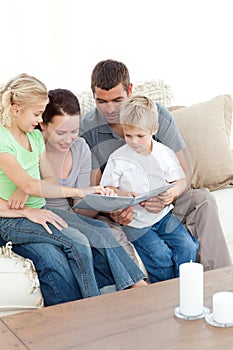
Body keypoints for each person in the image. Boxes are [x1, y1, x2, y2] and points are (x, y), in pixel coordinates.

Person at [0, 73, 145, 306]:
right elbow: (30, 183)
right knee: (75, 243)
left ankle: (136, 285)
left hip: (39, 210)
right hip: (13, 217)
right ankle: (90, 305)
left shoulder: (34, 138)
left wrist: (28, 188)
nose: (38, 121)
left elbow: (47, 178)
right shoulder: (3, 140)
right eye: (36, 114)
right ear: (16, 110)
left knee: (99, 230)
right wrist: (32, 188)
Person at [80, 58, 232, 271]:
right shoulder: (87, 130)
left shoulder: (155, 114)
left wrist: (169, 196)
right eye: (101, 102)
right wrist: (114, 211)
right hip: (126, 209)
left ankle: (219, 281)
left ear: (130, 90)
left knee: (203, 199)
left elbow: (184, 174)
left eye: (117, 99)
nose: (110, 110)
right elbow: (94, 192)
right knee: (105, 226)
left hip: (164, 201)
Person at [39, 87, 147, 290]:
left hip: (71, 217)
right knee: (95, 234)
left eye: (74, 131)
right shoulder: (33, 149)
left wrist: (102, 198)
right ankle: (136, 286)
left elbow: (80, 208)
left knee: (101, 231)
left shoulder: (80, 147)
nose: (68, 139)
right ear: (43, 125)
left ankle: (129, 290)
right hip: (45, 217)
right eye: (61, 132)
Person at [100, 94, 199, 282]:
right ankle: (164, 295)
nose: (134, 141)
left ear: (154, 129)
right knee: (159, 255)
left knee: (187, 247)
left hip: (163, 217)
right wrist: (123, 194)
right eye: (128, 135)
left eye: (140, 136)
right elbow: (108, 188)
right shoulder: (118, 157)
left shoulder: (164, 153)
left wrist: (173, 193)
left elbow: (179, 181)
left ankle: (182, 289)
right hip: (136, 223)